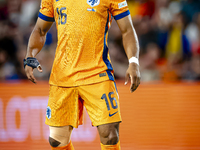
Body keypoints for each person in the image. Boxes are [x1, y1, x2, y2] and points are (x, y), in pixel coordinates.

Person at [24, 0, 140, 149]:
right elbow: (40, 29)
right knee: (57, 141)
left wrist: (134, 61)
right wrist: (30, 56)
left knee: (110, 135)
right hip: (63, 76)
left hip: (97, 73)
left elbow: (127, 30)